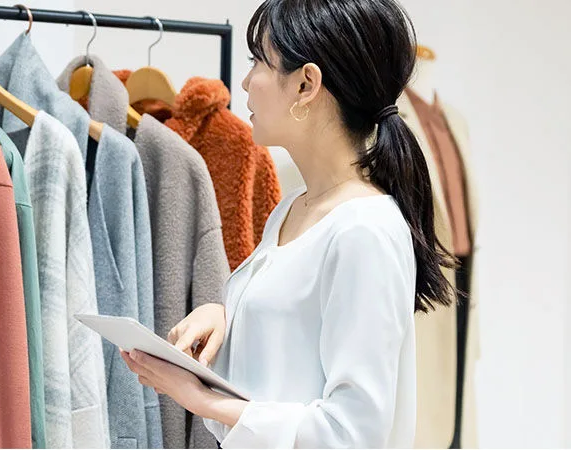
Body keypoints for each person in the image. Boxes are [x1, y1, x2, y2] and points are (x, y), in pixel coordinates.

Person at [121, 0, 456, 447]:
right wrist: (225, 315)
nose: (245, 81)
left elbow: (352, 432)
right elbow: (287, 365)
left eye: (258, 60)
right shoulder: (292, 210)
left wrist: (199, 398)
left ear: (306, 84)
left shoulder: (363, 231)